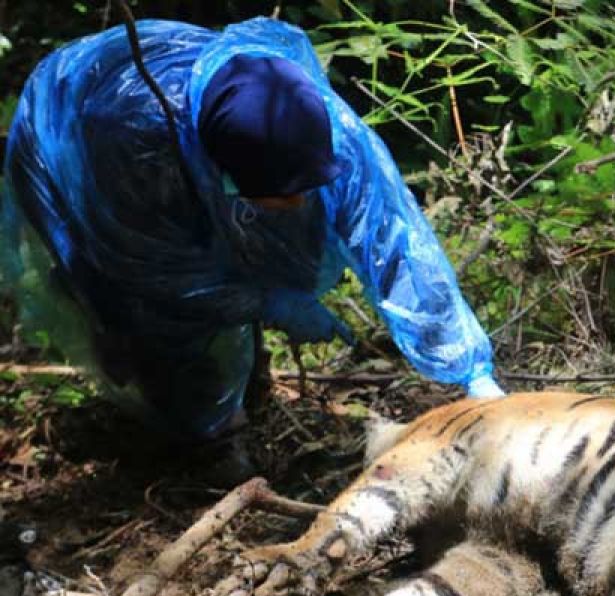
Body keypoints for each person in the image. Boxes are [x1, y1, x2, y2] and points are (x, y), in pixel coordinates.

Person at [0, 17, 504, 453]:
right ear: (223, 171)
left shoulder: (320, 130)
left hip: (174, 147)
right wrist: (271, 302)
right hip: (64, 131)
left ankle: (244, 386)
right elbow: (157, 274)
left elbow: (396, 240)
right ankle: (199, 436)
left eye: (308, 188)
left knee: (258, 253)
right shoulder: (135, 144)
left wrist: (468, 369)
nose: (300, 204)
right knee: (136, 313)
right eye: (281, 195)